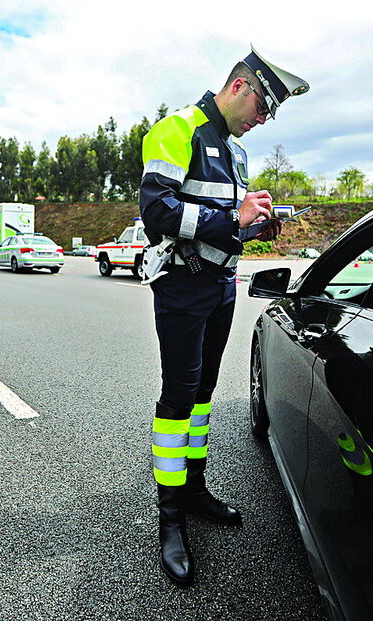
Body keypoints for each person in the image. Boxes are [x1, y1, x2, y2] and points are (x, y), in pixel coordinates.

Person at [139, 45, 309, 584]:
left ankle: (194, 488)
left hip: (220, 285)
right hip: (182, 285)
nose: (263, 119)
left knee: (205, 392)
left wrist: (258, 224)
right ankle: (170, 518)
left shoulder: (234, 152)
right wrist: (230, 214)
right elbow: (156, 210)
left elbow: (223, 223)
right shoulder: (176, 129)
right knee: (178, 394)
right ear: (240, 86)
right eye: (263, 108)